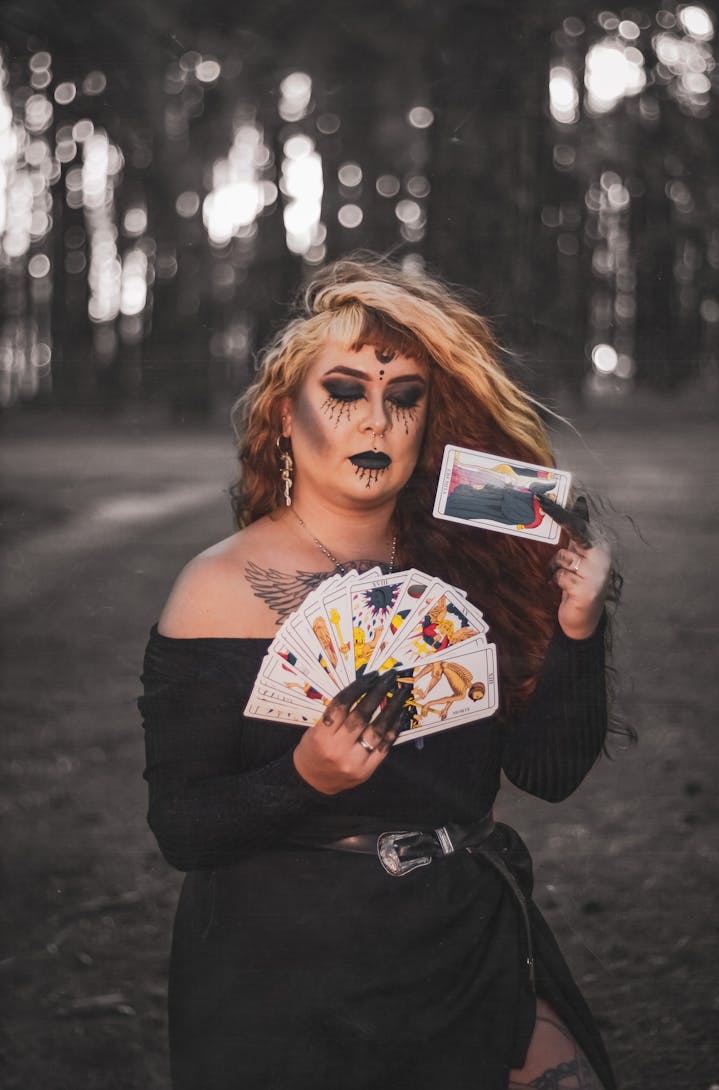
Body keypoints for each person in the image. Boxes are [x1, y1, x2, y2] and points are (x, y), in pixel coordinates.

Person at [139, 256, 619, 1090]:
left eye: (404, 399)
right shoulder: (216, 587)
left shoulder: (472, 560)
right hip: (281, 963)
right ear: (285, 417)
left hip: (458, 929)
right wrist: (302, 776)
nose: (377, 420)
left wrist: (577, 629)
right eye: (345, 391)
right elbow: (183, 828)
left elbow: (547, 773)